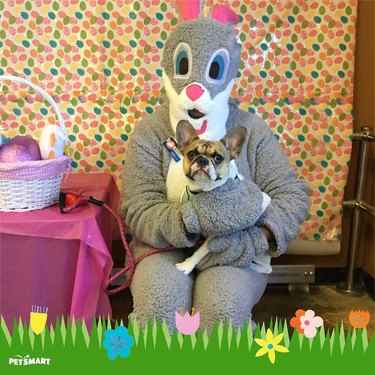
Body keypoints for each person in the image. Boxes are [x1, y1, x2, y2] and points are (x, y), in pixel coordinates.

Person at [121, 1, 310, 333]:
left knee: (221, 310)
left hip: (236, 248)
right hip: (162, 247)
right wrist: (188, 221)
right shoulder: (150, 131)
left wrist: (254, 239)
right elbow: (137, 207)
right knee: (159, 308)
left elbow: (291, 196)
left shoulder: (250, 129)